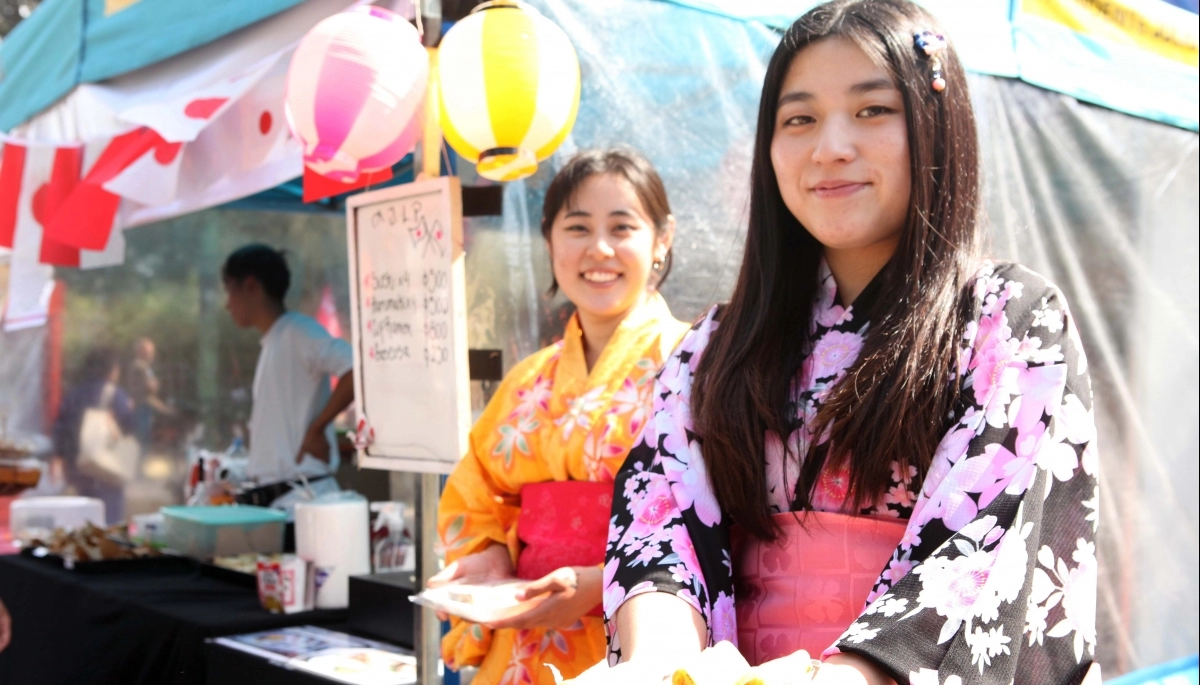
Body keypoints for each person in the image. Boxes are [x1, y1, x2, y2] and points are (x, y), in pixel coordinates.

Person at [600, 2, 1099, 684]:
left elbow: (986, 546)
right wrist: (660, 660)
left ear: (936, 126)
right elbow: (660, 513)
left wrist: (849, 674)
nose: (829, 146)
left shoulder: (1010, 321)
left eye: (872, 111)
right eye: (798, 118)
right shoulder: (715, 344)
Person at [428, 149, 691, 685]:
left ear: (661, 239)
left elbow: (729, 514)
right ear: (549, 240)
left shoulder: (698, 363)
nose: (599, 249)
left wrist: (606, 583)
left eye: (622, 227)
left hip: (645, 640)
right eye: (577, 228)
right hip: (524, 638)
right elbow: (474, 498)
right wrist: (493, 560)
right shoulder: (528, 380)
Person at [222, 244, 354, 509]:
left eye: (230, 291)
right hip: (280, 503)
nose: (227, 305)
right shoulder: (275, 341)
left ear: (251, 285)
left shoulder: (298, 331)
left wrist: (317, 429)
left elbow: (356, 368)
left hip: (305, 502)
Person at [52, 348, 136, 523]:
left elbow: (61, 428)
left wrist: (59, 458)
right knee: (108, 523)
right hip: (106, 471)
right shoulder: (116, 395)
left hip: (77, 470)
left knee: (81, 522)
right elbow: (129, 428)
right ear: (111, 370)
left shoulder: (74, 394)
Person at [125, 337, 174, 450]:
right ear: (140, 352)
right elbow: (151, 386)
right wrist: (154, 384)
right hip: (143, 404)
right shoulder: (140, 366)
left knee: (145, 436)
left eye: (152, 352)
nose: (152, 355)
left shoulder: (144, 367)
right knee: (143, 438)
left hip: (146, 404)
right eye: (149, 352)